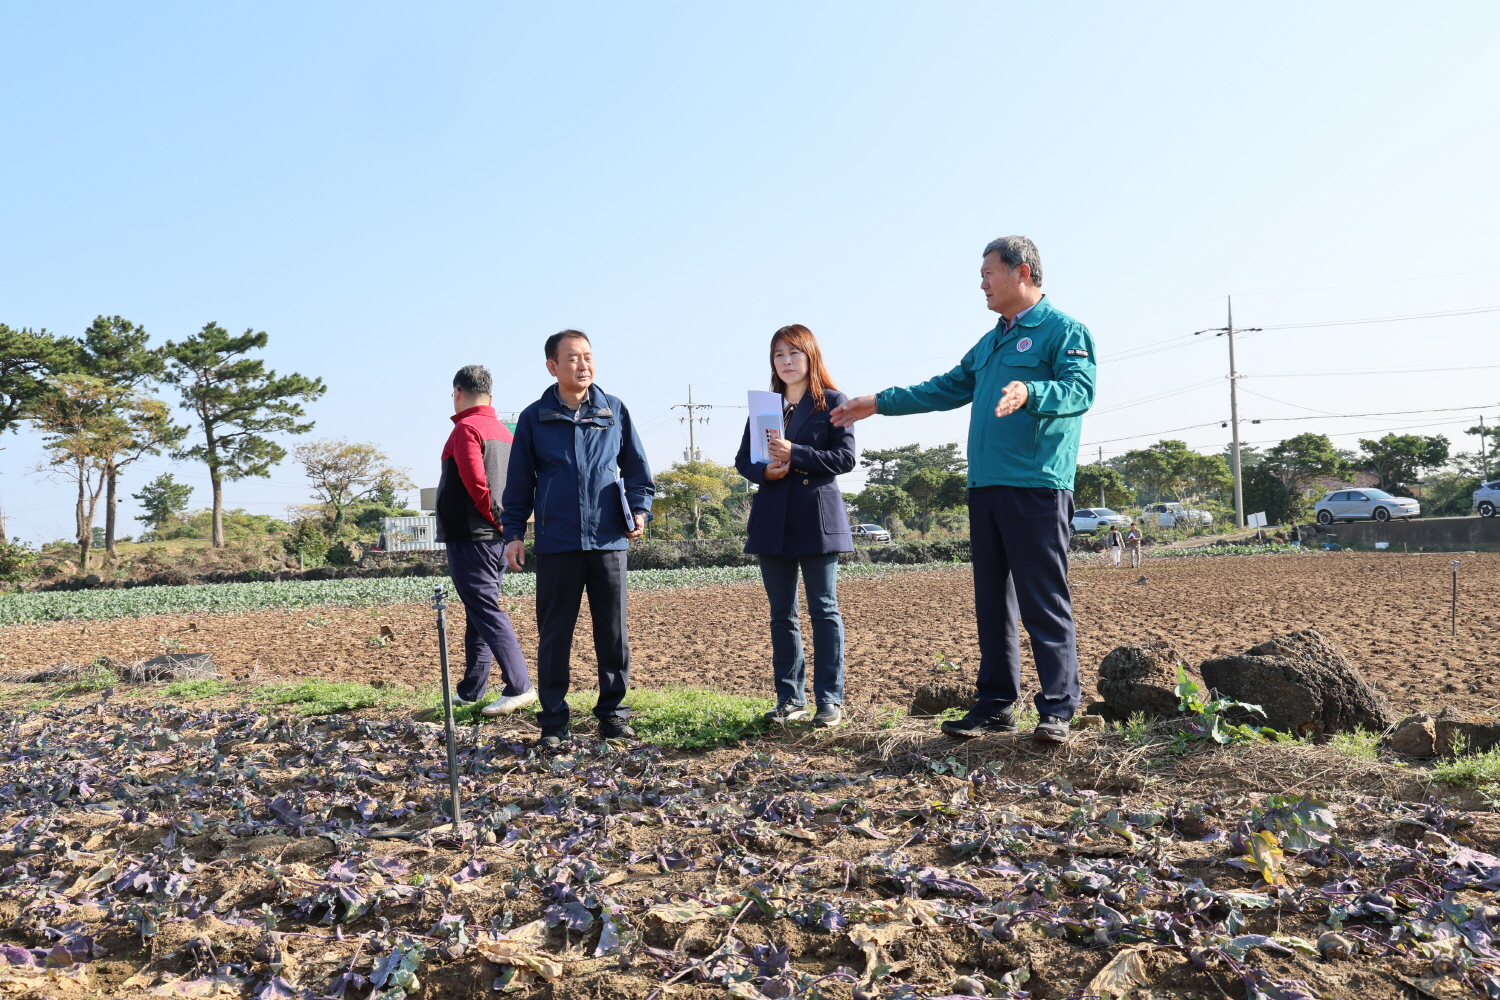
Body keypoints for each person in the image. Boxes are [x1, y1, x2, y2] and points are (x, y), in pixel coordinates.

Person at [830, 236, 1095, 744]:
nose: (982, 284)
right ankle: (996, 704)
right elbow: (947, 386)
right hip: (986, 486)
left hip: (1036, 486)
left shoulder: (1063, 331)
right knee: (992, 602)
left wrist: (1030, 391)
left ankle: (1059, 708)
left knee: (1044, 599)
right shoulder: (993, 339)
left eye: (988, 273)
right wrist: (878, 402)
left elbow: (1079, 391)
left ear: (1021, 272)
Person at [501, 331, 654, 748]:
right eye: (572, 359)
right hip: (557, 543)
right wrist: (514, 533)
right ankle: (553, 721)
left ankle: (613, 716)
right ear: (552, 366)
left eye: (588, 357)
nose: (582, 365)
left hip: (608, 542)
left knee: (613, 633)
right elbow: (518, 484)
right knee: (554, 636)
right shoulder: (535, 417)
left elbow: (639, 475)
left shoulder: (613, 410)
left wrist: (639, 511)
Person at [734, 325, 856, 729]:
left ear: (810, 356)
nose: (785, 362)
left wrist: (796, 452)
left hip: (816, 518)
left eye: (793, 353)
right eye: (778, 355)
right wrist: (764, 472)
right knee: (781, 613)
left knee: (824, 609)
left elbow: (845, 459)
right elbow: (743, 461)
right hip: (772, 519)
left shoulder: (833, 402)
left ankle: (829, 700)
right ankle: (790, 698)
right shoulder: (765, 406)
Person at [435, 365, 534, 714]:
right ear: (491, 396)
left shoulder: (466, 428)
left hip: (473, 536)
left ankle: (519, 685)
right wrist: (510, 528)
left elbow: (478, 485)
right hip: (495, 538)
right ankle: (471, 689)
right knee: (479, 610)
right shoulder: (506, 432)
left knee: (485, 610)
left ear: (457, 392)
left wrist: (499, 522)